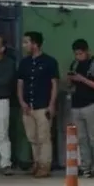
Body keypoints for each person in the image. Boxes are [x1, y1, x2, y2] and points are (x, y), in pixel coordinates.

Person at [17, 31, 59, 178]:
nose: (24, 45)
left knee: (44, 138)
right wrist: (22, 102)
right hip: (28, 107)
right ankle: (36, 163)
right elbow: (20, 83)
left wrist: (51, 104)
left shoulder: (50, 62)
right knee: (32, 137)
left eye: (26, 42)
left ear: (35, 44)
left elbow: (54, 84)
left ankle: (44, 166)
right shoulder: (24, 63)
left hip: (43, 106)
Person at [67, 38, 94, 177]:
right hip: (76, 106)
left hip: (92, 105)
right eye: (76, 54)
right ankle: (85, 165)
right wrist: (71, 80)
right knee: (81, 139)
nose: (78, 56)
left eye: (80, 53)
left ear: (87, 51)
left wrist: (83, 79)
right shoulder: (74, 65)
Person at [0, 35, 15, 175]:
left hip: (0, 100)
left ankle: (5, 164)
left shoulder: (9, 63)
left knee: (2, 133)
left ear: (2, 48)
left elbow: (5, 81)